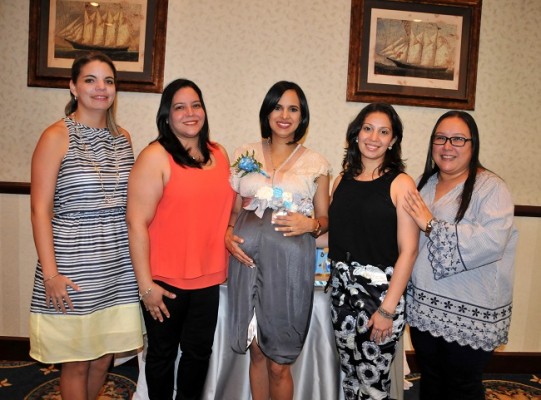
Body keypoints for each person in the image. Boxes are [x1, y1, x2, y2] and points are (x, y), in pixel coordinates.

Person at [29, 51, 143, 399]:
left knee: (104, 355)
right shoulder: (56, 136)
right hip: (72, 267)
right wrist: (51, 274)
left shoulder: (123, 138)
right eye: (90, 80)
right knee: (76, 360)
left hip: (117, 265)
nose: (101, 88)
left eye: (108, 81)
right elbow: (39, 209)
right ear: (73, 87)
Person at [126, 78, 235, 400]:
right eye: (179, 107)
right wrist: (146, 286)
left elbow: (228, 210)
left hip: (208, 279)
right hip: (164, 282)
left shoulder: (220, 154)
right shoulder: (155, 156)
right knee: (162, 355)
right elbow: (136, 223)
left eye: (196, 105)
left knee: (199, 354)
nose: (190, 113)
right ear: (167, 116)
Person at [226, 81, 331, 400]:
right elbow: (232, 212)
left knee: (278, 362)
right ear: (267, 111)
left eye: (293, 108)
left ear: (303, 117)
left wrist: (311, 223)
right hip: (246, 264)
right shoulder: (245, 152)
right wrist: (227, 236)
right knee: (256, 352)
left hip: (289, 268)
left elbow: (326, 219)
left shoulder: (316, 163)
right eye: (277, 106)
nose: (284, 115)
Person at [404, 111, 518, 400]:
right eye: (440, 138)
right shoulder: (423, 184)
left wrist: (431, 224)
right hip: (425, 309)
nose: (447, 146)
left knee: (461, 387)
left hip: (469, 315)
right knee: (430, 380)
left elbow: (491, 241)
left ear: (473, 144)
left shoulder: (492, 188)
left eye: (457, 139)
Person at [327, 103, 419, 400]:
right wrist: (295, 229)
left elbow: (409, 251)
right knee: (351, 379)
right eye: (368, 128)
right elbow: (334, 237)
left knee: (372, 384)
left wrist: (387, 309)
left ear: (393, 141)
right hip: (341, 294)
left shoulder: (401, 183)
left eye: (384, 132)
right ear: (356, 134)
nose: (374, 137)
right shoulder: (342, 180)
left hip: (381, 296)